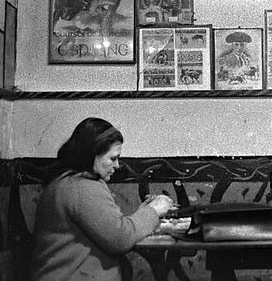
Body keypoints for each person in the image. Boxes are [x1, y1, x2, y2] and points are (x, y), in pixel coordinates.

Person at [30, 117, 176, 281]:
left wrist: (144, 212)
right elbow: (120, 238)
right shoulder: (82, 187)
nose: (117, 165)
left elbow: (109, 228)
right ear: (92, 155)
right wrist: (153, 211)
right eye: (113, 158)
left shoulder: (67, 180)